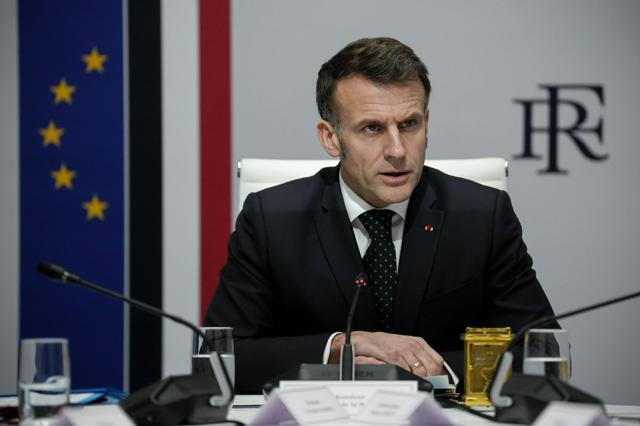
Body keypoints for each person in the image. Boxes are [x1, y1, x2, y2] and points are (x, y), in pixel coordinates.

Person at [205, 37, 556, 394]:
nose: (397, 150)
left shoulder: (481, 216)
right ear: (330, 138)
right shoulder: (272, 220)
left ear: (427, 123)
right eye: (371, 128)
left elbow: (543, 353)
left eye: (409, 124)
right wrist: (339, 347)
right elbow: (217, 359)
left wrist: (439, 371)